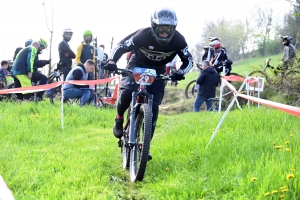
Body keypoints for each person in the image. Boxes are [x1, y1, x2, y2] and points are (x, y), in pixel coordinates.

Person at [104, 7, 193, 159]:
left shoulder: (179, 40)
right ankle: (119, 118)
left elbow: (188, 60)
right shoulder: (142, 36)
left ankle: (145, 145)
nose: (164, 32)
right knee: (127, 91)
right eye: (161, 28)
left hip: (158, 70)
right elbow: (121, 46)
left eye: (168, 28)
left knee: (154, 108)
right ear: (153, 26)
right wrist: (112, 61)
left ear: (174, 28)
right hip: (137, 64)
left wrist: (180, 72)